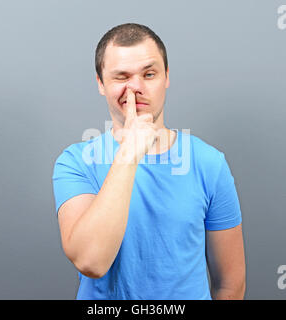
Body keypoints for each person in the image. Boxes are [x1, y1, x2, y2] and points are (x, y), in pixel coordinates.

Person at [52, 23, 246, 300]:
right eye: (121, 77)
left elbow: (230, 285)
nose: (136, 88)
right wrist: (130, 151)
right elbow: (91, 261)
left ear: (166, 77)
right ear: (100, 83)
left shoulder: (209, 163)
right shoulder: (75, 162)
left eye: (149, 74)